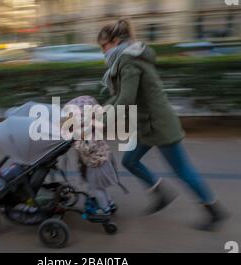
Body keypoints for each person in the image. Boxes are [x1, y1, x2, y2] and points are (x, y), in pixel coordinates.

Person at [97, 19, 229, 230]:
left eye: (104, 46)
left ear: (115, 41)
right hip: (146, 124)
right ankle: (160, 193)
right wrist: (99, 112)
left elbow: (125, 99)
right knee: (130, 160)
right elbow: (121, 96)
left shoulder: (128, 60)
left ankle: (214, 209)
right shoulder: (127, 57)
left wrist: (102, 122)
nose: (102, 51)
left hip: (159, 124)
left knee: (182, 169)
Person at [63, 95, 127, 215]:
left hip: (96, 166)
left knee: (96, 188)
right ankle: (110, 204)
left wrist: (78, 143)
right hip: (103, 162)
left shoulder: (86, 134)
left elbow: (88, 148)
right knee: (101, 187)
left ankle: (105, 210)